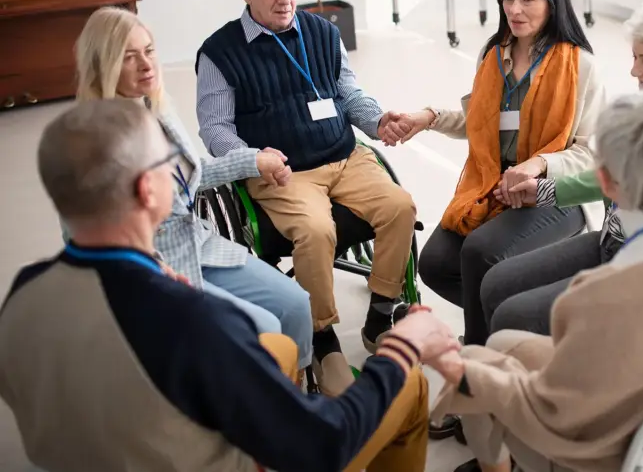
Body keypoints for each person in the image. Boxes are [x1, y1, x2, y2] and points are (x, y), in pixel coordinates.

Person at [0, 99, 459, 472]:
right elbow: (323, 442)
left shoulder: (22, 296)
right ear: (147, 190)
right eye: (169, 162)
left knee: (278, 351)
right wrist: (405, 346)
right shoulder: (195, 321)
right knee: (408, 387)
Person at [425, 82, 643, 472]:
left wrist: (452, 367)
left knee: (472, 369)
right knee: (499, 341)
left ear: (605, 180)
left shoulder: (597, 300)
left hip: (609, 446)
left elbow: (555, 410)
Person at [196, 0, 417, 393]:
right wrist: (253, 159)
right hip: (283, 171)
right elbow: (215, 131)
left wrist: (379, 122)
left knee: (400, 206)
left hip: (343, 154)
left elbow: (349, 94)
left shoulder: (323, 33)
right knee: (317, 231)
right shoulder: (219, 53)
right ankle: (322, 337)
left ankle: (379, 316)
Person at [479, 0, 643, 338]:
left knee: (512, 317)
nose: (634, 71)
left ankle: (537, 380)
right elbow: (616, 175)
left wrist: (615, 279)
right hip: (614, 243)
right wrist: (545, 190)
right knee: (494, 285)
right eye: (635, 58)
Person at [74, 6, 316, 375]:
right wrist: (147, 269)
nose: (146, 64)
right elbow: (80, 232)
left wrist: (254, 160)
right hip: (155, 270)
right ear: (102, 65)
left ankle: (296, 395)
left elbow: (191, 175)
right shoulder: (92, 140)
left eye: (150, 50)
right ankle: (260, 415)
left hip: (198, 243)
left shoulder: (155, 110)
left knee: (296, 304)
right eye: (128, 57)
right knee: (263, 330)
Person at [386, 0, 606, 348]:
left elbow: (590, 153)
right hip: (492, 185)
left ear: (552, 3)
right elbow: (481, 123)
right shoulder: (494, 56)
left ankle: (477, 357)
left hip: (552, 192)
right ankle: (506, 326)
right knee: (434, 265)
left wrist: (537, 165)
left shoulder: (581, 66)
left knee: (479, 253)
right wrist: (430, 117)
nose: (515, 10)